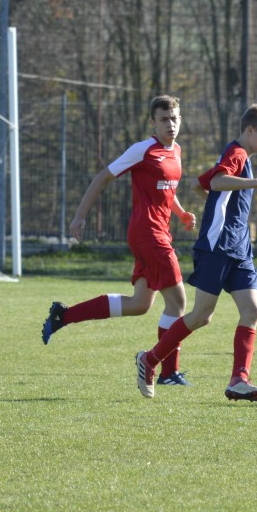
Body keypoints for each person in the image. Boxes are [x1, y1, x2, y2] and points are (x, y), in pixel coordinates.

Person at [42, 95, 197, 386]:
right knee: (177, 301)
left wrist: (181, 214)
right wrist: (79, 216)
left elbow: (167, 189)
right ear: (153, 123)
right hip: (148, 234)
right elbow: (102, 177)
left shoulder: (176, 150)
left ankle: (64, 315)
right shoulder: (143, 149)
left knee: (140, 304)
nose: (171, 124)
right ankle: (168, 373)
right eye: (164, 119)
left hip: (158, 232)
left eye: (175, 118)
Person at [135, 102, 257, 401]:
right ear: (250, 130)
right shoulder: (236, 153)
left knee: (252, 311)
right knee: (202, 315)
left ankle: (239, 380)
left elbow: (199, 184)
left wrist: (219, 203)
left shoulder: (242, 156)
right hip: (218, 246)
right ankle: (149, 359)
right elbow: (216, 182)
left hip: (239, 248)